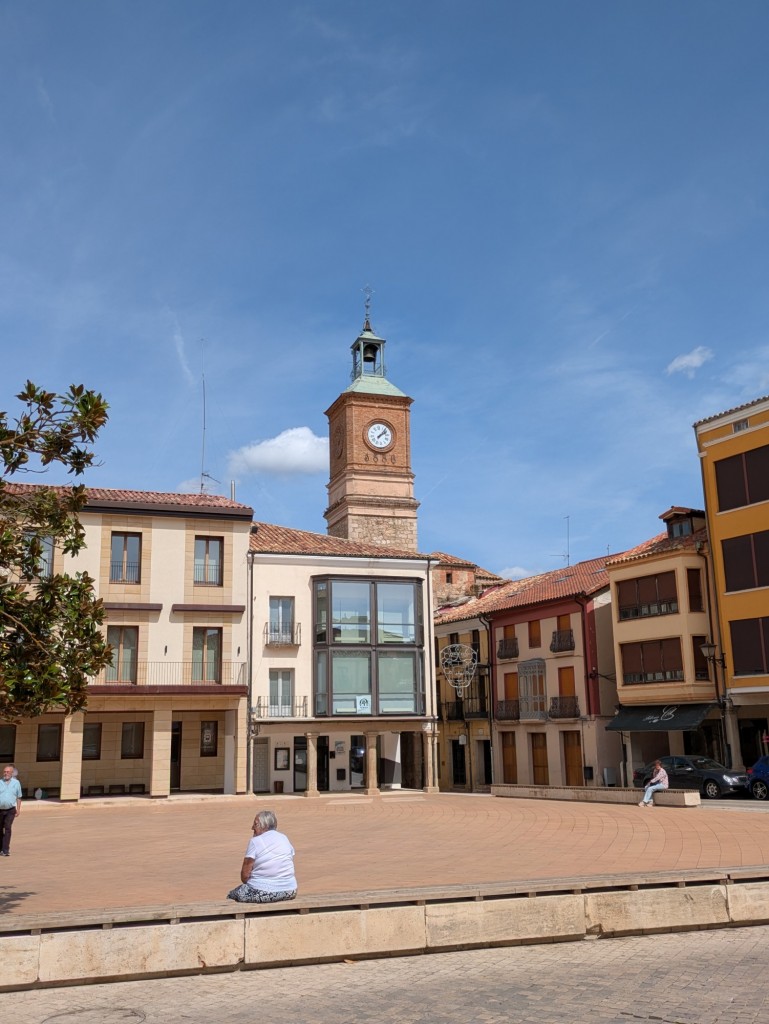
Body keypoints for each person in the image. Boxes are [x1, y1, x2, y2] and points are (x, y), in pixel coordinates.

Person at [227, 809, 297, 903]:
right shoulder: (284, 838)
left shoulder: (255, 841)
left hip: (264, 892)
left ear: (265, 826)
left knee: (232, 895)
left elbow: (245, 876)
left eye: (255, 824)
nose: (252, 828)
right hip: (290, 891)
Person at [0, 763, 22, 856]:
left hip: (10, 810)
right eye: (4, 772)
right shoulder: (0, 782)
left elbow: (19, 797)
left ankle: (6, 850)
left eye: (8, 772)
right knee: (0, 829)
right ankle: (0, 848)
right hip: (0, 810)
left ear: (12, 773)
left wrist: (18, 809)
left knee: (8, 828)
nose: (6, 773)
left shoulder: (16, 783)